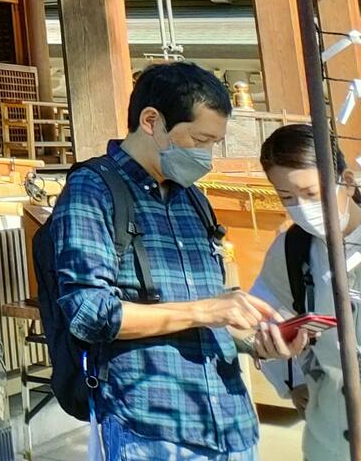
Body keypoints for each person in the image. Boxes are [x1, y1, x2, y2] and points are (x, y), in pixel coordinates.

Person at [45, 61, 276, 460]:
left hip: (229, 420)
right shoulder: (92, 190)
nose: (206, 156)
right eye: (199, 140)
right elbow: (88, 312)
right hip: (152, 426)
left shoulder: (193, 200)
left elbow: (204, 313)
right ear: (151, 121)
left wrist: (256, 339)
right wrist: (209, 310)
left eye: (213, 144)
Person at [249, 123, 359, 461]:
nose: (301, 207)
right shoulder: (294, 248)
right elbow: (262, 314)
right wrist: (289, 376)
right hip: (331, 431)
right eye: (287, 198)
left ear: (348, 180)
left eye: (311, 193)